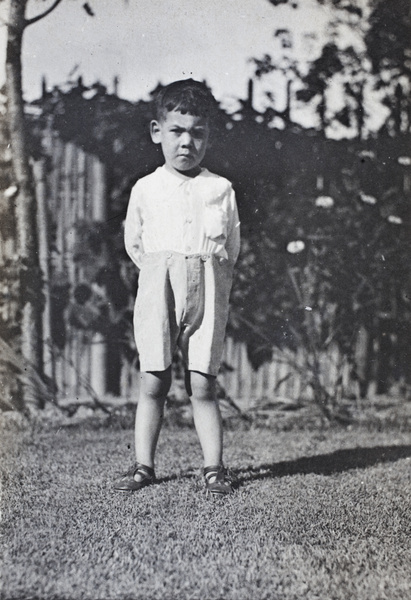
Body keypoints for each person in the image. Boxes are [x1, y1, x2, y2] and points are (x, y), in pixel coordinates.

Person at [114, 79, 240, 497]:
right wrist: (160, 273)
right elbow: (135, 243)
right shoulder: (145, 188)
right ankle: (143, 466)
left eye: (197, 133)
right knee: (154, 379)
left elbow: (231, 246)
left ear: (208, 136)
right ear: (157, 132)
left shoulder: (220, 189)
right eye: (177, 131)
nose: (187, 142)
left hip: (208, 284)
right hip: (157, 287)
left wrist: (203, 273)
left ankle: (214, 468)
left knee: (203, 382)